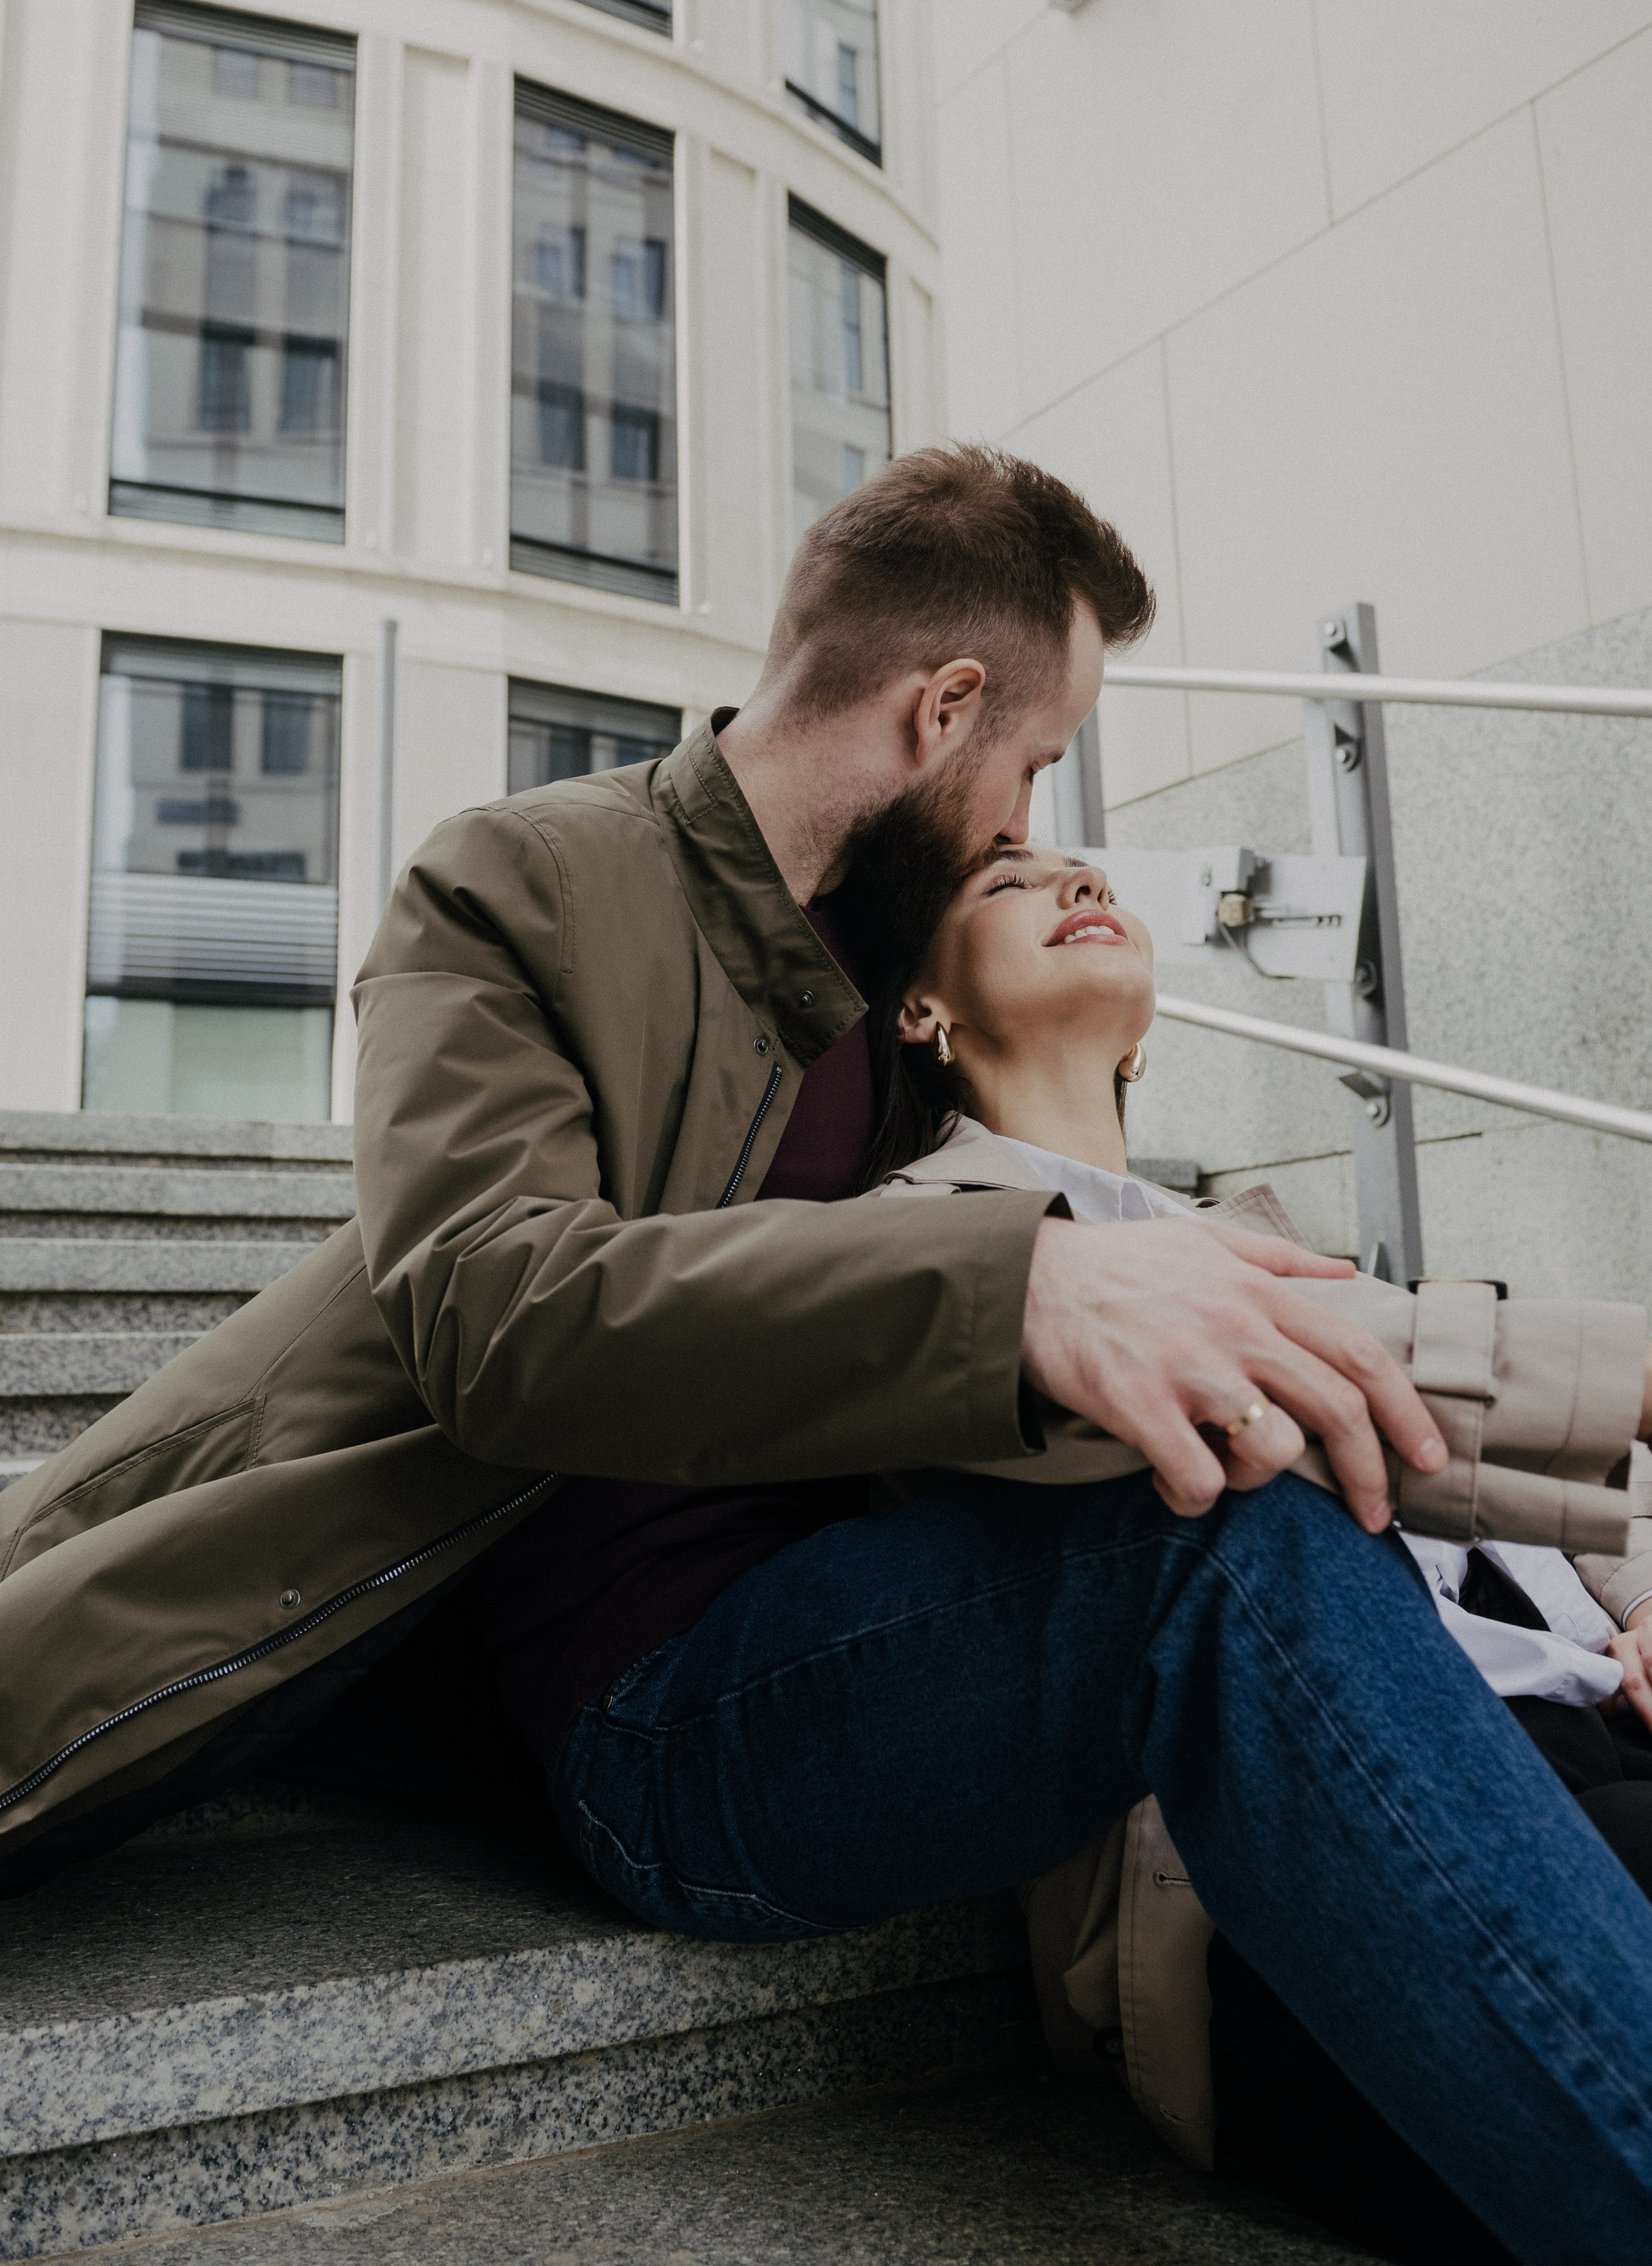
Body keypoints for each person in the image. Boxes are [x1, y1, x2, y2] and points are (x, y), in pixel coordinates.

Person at [0, 447, 1647, 2266]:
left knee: (1246, 1517)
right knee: (1225, 1558)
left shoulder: (897, 998)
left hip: (895, 1613)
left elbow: (1140, 1270)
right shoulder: (517, 881)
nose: (1029, 818)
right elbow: (493, 1310)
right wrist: (1015, 1293)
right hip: (663, 1717)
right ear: (942, 710)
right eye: (1030, 765)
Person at [871, 833, 1652, 2261]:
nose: (1079, 884)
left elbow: (1512, 1475)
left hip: (1585, 1727)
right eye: (1010, 882)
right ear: (921, 1008)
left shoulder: (1271, 1241)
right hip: (1310, 1871)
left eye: (1090, 874)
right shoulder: (918, 1247)